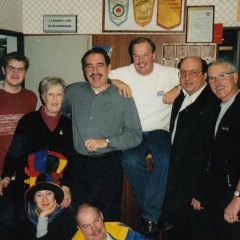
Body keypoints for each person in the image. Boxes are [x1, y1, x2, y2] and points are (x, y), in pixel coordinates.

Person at [108, 37, 180, 238]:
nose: (141, 60)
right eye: (136, 55)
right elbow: (95, 76)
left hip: (159, 130)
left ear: (154, 55)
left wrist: (178, 88)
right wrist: (115, 81)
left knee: (165, 158)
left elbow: (194, 77)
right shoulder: (123, 72)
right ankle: (153, 216)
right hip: (132, 130)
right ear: (132, 56)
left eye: (146, 55)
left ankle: (149, 216)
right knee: (130, 160)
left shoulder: (168, 73)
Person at [61, 47, 142, 222]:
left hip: (109, 167)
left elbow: (135, 135)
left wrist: (105, 141)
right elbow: (59, 111)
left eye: (100, 65)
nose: (95, 71)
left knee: (109, 219)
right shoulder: (73, 92)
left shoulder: (123, 96)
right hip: (78, 166)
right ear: (84, 70)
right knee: (79, 219)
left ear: (108, 68)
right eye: (89, 66)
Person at [163, 56, 220, 240]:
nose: (188, 77)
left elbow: (210, 152)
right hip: (178, 186)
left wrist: (200, 192)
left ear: (204, 75)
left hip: (195, 191)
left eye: (194, 72)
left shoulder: (212, 105)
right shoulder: (181, 98)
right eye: (183, 73)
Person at [0, 77, 74, 214]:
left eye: (59, 94)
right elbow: (14, 152)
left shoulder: (68, 125)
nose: (55, 99)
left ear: (63, 97)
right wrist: (6, 176)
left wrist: (67, 186)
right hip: (28, 183)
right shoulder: (28, 121)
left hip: (56, 185)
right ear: (43, 96)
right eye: (50, 94)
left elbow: (72, 158)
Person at [199, 58, 240, 240]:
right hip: (217, 196)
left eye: (222, 76)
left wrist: (238, 199)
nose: (217, 82)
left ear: (236, 77)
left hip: (234, 197)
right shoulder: (217, 107)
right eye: (212, 78)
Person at [0, 52, 37, 240]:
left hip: (23, 174)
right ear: (3, 70)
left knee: (21, 223)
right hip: (0, 174)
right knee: (3, 223)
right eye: (11, 68)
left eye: (20, 69)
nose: (15, 73)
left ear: (26, 72)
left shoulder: (31, 98)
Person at [9, 177, 76, 239]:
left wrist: (42, 217)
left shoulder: (66, 214)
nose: (44, 199)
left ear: (55, 196)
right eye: (39, 195)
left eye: (49, 193)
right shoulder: (23, 212)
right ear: (34, 199)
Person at [73, 203, 149, 240]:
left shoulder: (121, 233)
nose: (94, 228)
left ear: (101, 215)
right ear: (79, 229)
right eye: (86, 226)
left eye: (96, 221)